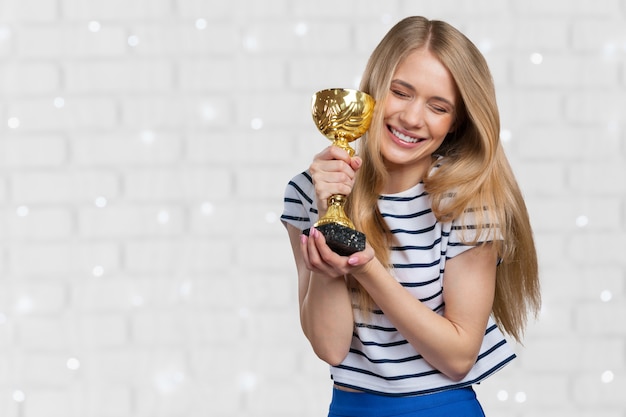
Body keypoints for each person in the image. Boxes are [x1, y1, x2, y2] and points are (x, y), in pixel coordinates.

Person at [281, 16, 540, 417]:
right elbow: (331, 348)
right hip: (351, 407)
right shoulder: (307, 191)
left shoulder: (466, 202)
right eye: (401, 92)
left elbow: (458, 357)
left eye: (438, 107)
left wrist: (367, 268)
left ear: (455, 124)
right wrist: (328, 212)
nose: (412, 118)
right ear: (373, 91)